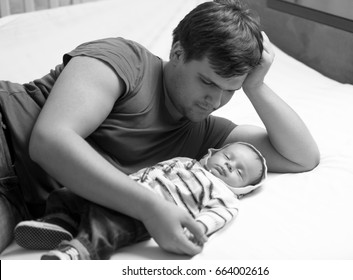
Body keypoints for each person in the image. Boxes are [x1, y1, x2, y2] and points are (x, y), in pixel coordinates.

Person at [0, 0, 319, 255]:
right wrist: (150, 207)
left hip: (20, 200)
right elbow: (49, 141)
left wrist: (256, 86)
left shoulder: (204, 135)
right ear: (177, 52)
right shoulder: (126, 60)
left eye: (230, 89)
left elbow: (300, 157)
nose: (215, 100)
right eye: (207, 81)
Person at [14, 142, 267, 260]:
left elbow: (217, 214)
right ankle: (60, 223)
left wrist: (199, 228)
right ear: (212, 153)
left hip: (146, 218)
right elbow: (145, 173)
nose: (228, 165)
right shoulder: (184, 161)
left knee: (107, 225)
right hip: (123, 195)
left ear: (244, 190)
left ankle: (79, 250)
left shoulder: (224, 194)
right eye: (228, 156)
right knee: (69, 194)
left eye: (239, 171)